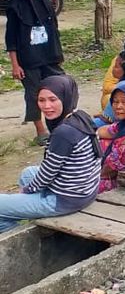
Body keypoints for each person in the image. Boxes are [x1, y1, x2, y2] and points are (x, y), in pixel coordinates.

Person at [0, 75, 101, 231]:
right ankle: (31, 216)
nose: (47, 106)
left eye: (53, 100)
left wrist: (26, 190)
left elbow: (47, 173)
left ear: (65, 97)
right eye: (41, 100)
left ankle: (17, 236)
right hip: (85, 191)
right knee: (28, 173)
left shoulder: (64, 133)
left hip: (65, 199)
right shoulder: (81, 116)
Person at [5, 0, 63, 144]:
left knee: (59, 88)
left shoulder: (46, 2)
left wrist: (58, 54)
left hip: (49, 57)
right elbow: (11, 40)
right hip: (28, 61)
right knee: (33, 94)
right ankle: (40, 130)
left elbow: (54, 30)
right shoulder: (14, 9)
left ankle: (59, 126)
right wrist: (15, 65)